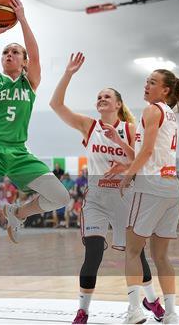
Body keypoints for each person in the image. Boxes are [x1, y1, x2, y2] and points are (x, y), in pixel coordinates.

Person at [50, 53, 162, 324]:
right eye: (98, 97)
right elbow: (56, 104)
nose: (101, 100)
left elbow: (144, 160)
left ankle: (151, 300)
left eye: (106, 97)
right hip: (98, 199)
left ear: (118, 104)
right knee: (93, 254)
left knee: (136, 256)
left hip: (125, 198)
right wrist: (68, 73)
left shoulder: (131, 128)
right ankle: (83, 310)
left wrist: (124, 165)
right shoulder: (89, 126)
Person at [0, 0, 70, 248]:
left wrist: (22, 19)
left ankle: (18, 213)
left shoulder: (30, 82)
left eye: (15, 52)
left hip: (18, 151)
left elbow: (35, 54)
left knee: (60, 197)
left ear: (24, 62)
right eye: (5, 52)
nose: (9, 54)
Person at [116, 69, 179, 323]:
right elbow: (148, 150)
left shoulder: (152, 110)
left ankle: (134, 311)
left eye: (152, 82)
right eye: (146, 81)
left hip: (149, 186)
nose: (146, 86)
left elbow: (147, 151)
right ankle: (172, 314)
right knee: (161, 256)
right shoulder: (172, 115)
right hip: (170, 188)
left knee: (132, 251)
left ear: (165, 90)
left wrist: (129, 174)